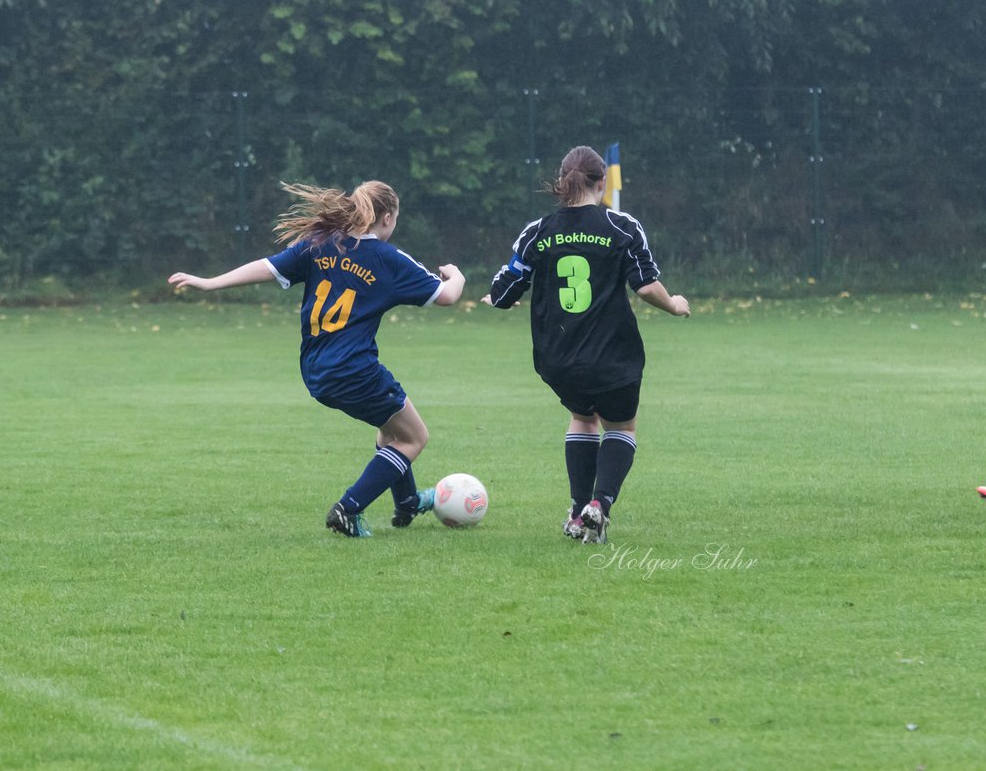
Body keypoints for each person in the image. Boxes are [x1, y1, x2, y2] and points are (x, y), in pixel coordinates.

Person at [169, 180, 466, 538]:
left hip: (315, 371)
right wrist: (458, 276)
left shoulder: (321, 244)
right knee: (414, 438)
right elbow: (447, 296)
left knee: (390, 428)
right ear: (387, 217)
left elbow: (265, 267)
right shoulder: (388, 259)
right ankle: (348, 509)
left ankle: (406, 503)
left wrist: (209, 282)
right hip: (355, 370)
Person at [482, 146, 689, 544]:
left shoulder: (537, 231)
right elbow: (646, 286)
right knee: (621, 426)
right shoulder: (622, 227)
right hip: (613, 355)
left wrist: (499, 295)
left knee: (583, 417)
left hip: (557, 358)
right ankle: (600, 505)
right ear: (603, 182)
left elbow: (504, 291)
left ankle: (578, 513)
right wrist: (675, 305)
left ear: (561, 183)